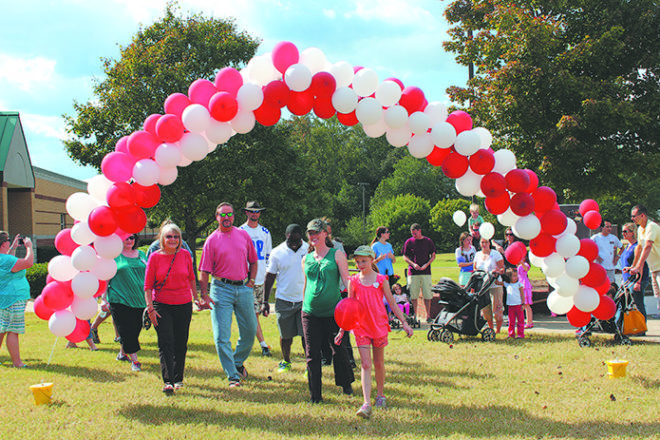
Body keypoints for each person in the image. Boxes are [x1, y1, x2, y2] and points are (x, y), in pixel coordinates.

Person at [335, 246, 413, 418]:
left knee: (378, 363)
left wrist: (405, 323)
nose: (360, 264)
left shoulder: (381, 279)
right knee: (365, 364)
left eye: (363, 261)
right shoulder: (353, 280)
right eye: (357, 262)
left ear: (371, 260)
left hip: (378, 325)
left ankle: (380, 395)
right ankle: (366, 403)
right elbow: (349, 306)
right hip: (360, 327)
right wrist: (342, 329)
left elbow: (392, 303)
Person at [199, 202, 258, 388]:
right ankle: (232, 375)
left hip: (243, 288)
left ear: (234, 216)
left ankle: (237, 362)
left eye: (229, 214)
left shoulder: (243, 235)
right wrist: (204, 294)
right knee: (222, 336)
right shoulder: (212, 240)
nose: (226, 218)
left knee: (250, 331)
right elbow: (204, 271)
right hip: (220, 289)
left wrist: (251, 282)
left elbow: (254, 261)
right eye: (222, 215)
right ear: (217, 217)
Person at [301, 218, 354, 403]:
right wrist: (303, 307)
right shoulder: (306, 259)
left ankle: (346, 384)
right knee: (312, 355)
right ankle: (315, 395)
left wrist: (353, 303)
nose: (313, 236)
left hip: (334, 312)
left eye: (317, 232)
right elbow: (306, 285)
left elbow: (347, 280)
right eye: (310, 233)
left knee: (339, 350)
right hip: (310, 312)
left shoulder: (336, 255)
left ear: (325, 233)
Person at [144, 223, 198, 394]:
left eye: (176, 237)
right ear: (162, 238)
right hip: (161, 304)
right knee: (166, 341)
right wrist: (150, 308)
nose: (173, 239)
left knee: (181, 342)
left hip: (183, 303)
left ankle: (178, 378)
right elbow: (147, 285)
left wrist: (196, 298)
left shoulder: (185, 255)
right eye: (169, 236)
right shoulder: (155, 257)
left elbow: (191, 278)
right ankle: (168, 380)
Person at [263, 224, 309, 373]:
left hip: (304, 299)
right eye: (290, 241)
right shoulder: (277, 252)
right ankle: (286, 361)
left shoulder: (309, 250)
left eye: (297, 240)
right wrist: (265, 301)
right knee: (285, 335)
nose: (294, 244)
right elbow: (270, 277)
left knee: (306, 335)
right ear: (286, 237)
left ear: (302, 237)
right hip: (284, 299)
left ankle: (310, 364)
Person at [106, 233, 147, 371]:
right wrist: (104, 299)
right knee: (126, 330)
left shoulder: (141, 254)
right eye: (125, 238)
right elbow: (106, 279)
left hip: (140, 299)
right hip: (119, 299)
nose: (129, 240)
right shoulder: (114, 257)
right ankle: (135, 361)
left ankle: (122, 354)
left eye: (131, 238)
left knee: (136, 329)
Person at [239, 201, 273, 357]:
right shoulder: (240, 231)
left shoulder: (265, 232)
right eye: (251, 211)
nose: (254, 214)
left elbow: (268, 258)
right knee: (251, 314)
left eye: (257, 211)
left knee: (255, 314)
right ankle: (263, 344)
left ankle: (248, 341)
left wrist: (266, 279)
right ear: (246, 213)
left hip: (260, 279)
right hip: (246, 279)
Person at [0, 233, 33, 367]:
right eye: (8, 240)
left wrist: (13, 248)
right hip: (14, 298)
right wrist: (29, 247)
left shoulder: (4, 259)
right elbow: (28, 263)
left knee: (2, 330)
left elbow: (9, 262)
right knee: (13, 331)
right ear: (3, 244)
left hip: (4, 299)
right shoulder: (7, 260)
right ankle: (17, 363)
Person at [629, 205, 660, 314]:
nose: (632, 219)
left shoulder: (651, 226)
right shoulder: (640, 229)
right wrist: (634, 266)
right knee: (658, 299)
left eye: (634, 216)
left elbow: (647, 246)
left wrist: (638, 266)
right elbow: (639, 249)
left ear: (642, 215)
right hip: (655, 270)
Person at [402, 223, 436, 323]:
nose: (414, 235)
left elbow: (433, 255)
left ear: (420, 231)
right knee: (414, 295)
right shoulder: (409, 242)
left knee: (427, 294)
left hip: (426, 272)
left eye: (415, 233)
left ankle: (428, 315)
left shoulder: (428, 241)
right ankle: (416, 316)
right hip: (413, 272)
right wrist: (413, 264)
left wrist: (427, 264)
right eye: (412, 234)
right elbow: (405, 256)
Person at [474, 237, 505, 333]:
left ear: (489, 243)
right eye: (482, 242)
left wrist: (497, 272)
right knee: (486, 310)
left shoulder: (495, 254)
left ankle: (498, 330)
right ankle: (490, 329)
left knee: (497, 308)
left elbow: (502, 269)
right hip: (483, 285)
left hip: (494, 284)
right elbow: (475, 268)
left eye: (486, 242)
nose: (484, 244)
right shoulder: (478, 254)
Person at [620, 222, 649, 321]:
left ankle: (642, 328)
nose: (623, 233)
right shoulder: (627, 246)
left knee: (638, 303)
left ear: (632, 233)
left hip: (636, 279)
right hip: (627, 280)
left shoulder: (637, 247)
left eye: (625, 231)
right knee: (627, 304)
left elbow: (640, 265)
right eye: (622, 231)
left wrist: (638, 282)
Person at [503, 267, 525, 338]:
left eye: (516, 275)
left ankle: (520, 334)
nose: (516, 277)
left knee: (520, 321)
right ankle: (511, 334)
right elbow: (498, 282)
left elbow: (522, 294)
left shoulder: (519, 284)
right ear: (509, 277)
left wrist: (523, 303)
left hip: (518, 305)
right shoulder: (507, 284)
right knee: (511, 321)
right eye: (514, 276)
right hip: (510, 306)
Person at [518, 258, 534, 328]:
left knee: (526, 304)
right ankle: (522, 321)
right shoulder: (519, 265)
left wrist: (521, 263)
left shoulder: (526, 264)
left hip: (524, 285)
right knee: (522, 305)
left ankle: (529, 322)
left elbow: (526, 268)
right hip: (520, 284)